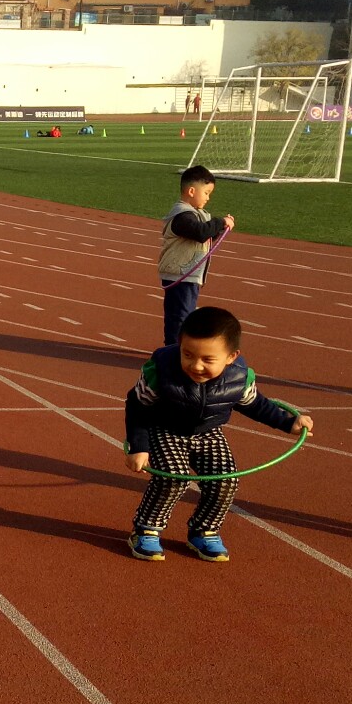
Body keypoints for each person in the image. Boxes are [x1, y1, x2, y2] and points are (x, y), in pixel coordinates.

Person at [123, 307, 313, 562]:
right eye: (187, 354)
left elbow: (256, 405)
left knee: (225, 480)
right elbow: (138, 406)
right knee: (173, 477)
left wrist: (289, 423)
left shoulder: (239, 378)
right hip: (165, 429)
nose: (196, 365)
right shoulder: (161, 370)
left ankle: (204, 530)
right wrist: (139, 447)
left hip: (208, 432)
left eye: (207, 359)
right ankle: (146, 529)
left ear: (231, 357)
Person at [158, 164, 233, 345]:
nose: (208, 198)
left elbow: (206, 236)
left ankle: (175, 347)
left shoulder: (196, 215)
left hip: (188, 275)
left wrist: (220, 228)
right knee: (180, 315)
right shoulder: (182, 216)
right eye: (206, 193)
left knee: (182, 314)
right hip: (180, 275)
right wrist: (220, 221)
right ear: (191, 191)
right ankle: (175, 348)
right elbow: (200, 233)